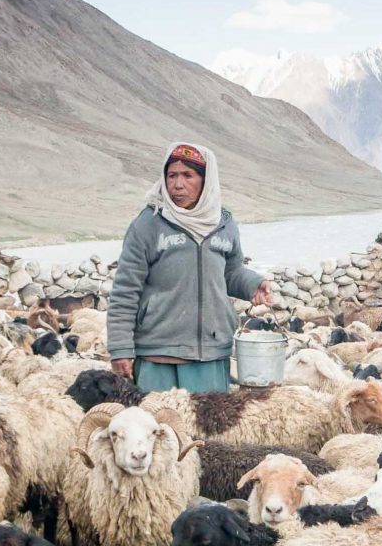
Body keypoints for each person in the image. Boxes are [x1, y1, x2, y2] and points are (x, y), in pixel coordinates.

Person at [108, 142, 274, 393]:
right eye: (171, 175)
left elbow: (230, 272)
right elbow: (125, 291)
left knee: (208, 431)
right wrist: (120, 350)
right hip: (158, 356)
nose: (177, 184)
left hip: (211, 354)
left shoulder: (224, 224)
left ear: (206, 181)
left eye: (188, 175)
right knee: (160, 429)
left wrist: (253, 284)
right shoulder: (147, 225)